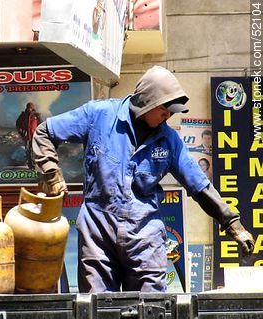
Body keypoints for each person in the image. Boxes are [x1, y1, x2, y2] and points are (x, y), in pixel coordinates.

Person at [31, 65, 254, 293]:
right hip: (97, 233)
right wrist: (51, 173)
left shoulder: (170, 141)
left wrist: (233, 225)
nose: (169, 115)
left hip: (144, 238)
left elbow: (199, 186)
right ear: (147, 101)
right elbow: (44, 132)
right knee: (96, 311)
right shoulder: (99, 115)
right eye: (165, 109)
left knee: (152, 312)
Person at [16, 102, 42, 168]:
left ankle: (35, 163)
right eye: (28, 107)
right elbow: (18, 124)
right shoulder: (23, 115)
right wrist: (22, 132)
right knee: (27, 150)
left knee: (34, 149)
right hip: (26, 136)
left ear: (33, 108)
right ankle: (29, 164)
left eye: (30, 107)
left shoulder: (36, 116)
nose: (29, 109)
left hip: (34, 135)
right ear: (26, 107)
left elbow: (41, 125)